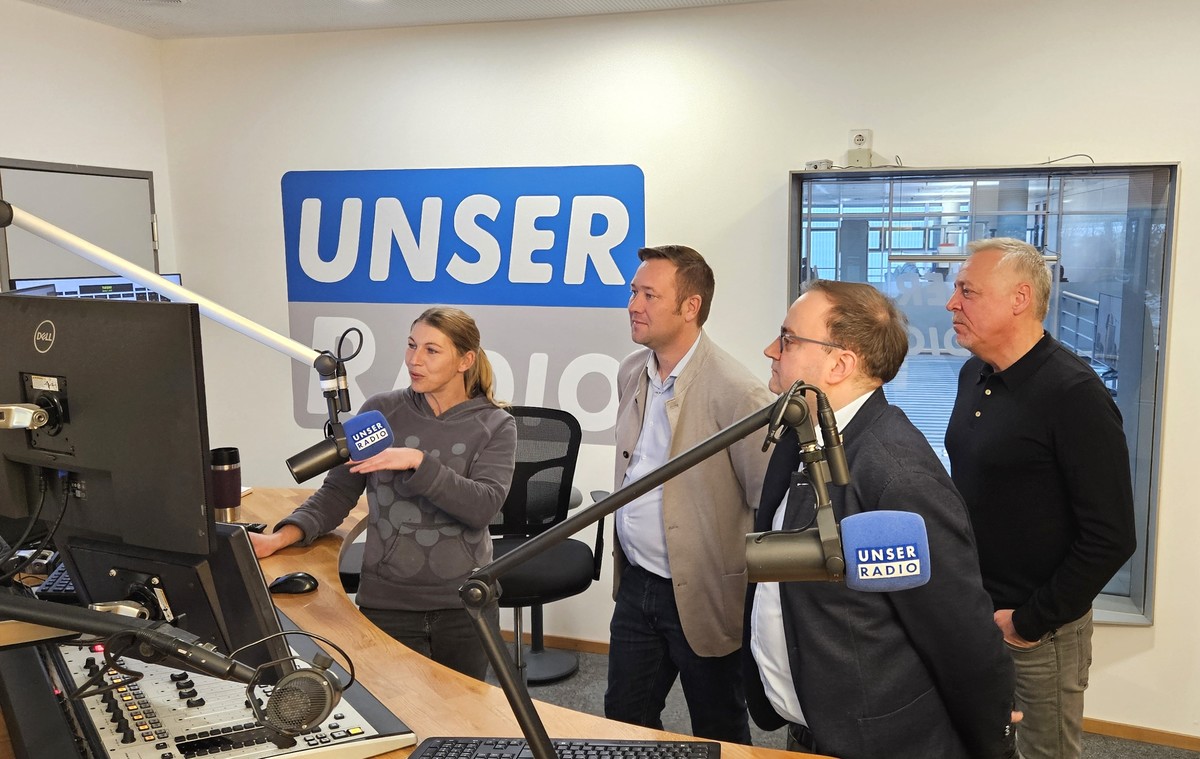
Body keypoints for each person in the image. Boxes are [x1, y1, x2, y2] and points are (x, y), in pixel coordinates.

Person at [745, 280, 1019, 759]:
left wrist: (991, 741)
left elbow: (959, 634)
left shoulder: (897, 476)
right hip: (810, 729)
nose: (771, 349)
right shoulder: (799, 435)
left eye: (788, 338)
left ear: (839, 363)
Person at [945, 238, 1137, 759]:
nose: (951, 302)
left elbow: (1112, 536)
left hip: (1038, 634)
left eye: (967, 290)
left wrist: (1028, 623)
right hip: (975, 615)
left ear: (1019, 298)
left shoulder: (1075, 395)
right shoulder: (974, 374)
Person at [250, 306, 517, 681]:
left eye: (431, 350)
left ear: (465, 360)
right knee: (396, 714)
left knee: (461, 725)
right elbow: (336, 494)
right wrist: (281, 537)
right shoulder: (381, 411)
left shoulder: (495, 424)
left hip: (464, 605)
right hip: (388, 602)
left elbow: (482, 507)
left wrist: (417, 462)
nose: (414, 360)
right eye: (411, 346)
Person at [605, 245, 774, 743]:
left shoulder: (737, 392)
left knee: (717, 726)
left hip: (702, 591)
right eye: (634, 292)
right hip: (638, 581)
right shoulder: (632, 371)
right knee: (622, 718)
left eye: (649, 294)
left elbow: (769, 500)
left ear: (690, 307)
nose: (634, 304)